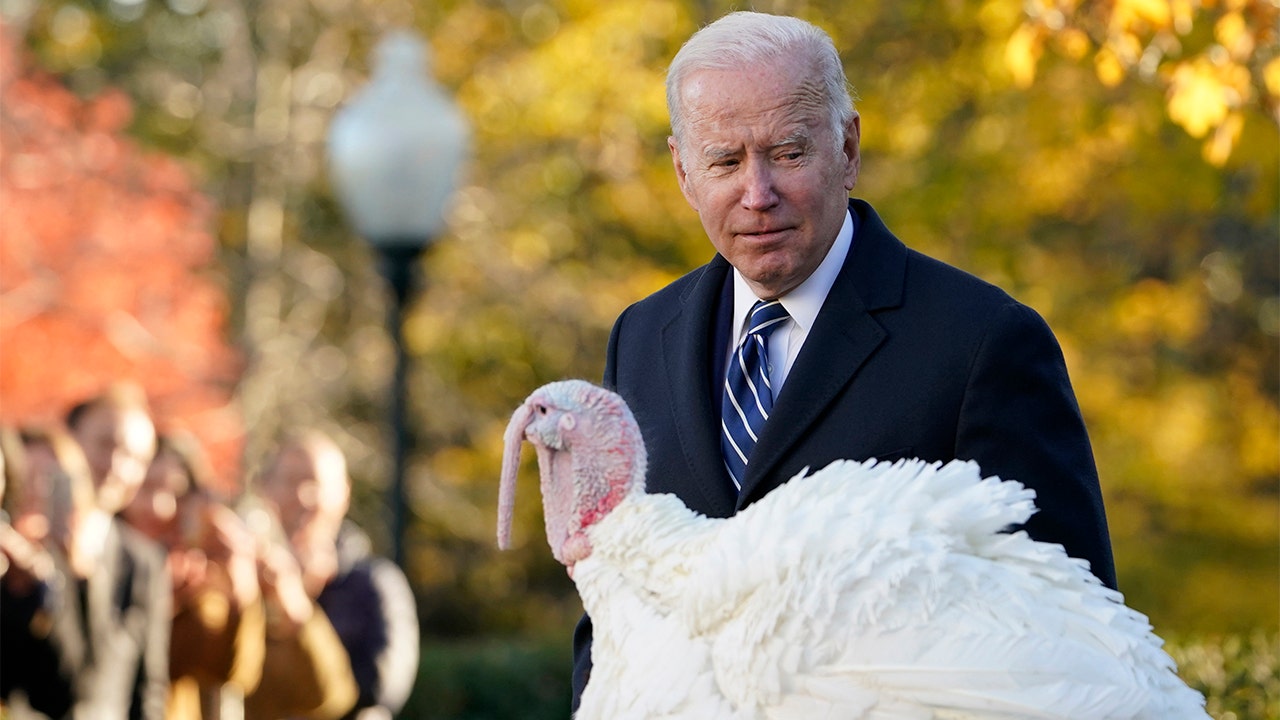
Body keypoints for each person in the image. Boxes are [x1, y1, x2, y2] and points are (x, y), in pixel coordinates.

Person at [576, 10, 1116, 707]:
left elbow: (1078, 638)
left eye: (789, 153)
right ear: (683, 171)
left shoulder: (983, 343)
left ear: (849, 147)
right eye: (725, 162)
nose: (757, 193)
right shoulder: (641, 337)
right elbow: (614, 612)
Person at [251, 429, 419, 720]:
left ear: (344, 492)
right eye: (290, 482)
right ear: (265, 490)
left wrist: (300, 607)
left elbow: (382, 690)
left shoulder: (374, 583)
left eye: (316, 483)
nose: (304, 497)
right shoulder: (246, 580)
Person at [10, 425, 171, 720]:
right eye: (24, 482)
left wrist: (65, 585)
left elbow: (73, 691)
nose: (36, 497)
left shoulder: (74, 567)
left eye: (51, 484)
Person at [121, 432, 267, 720]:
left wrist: (240, 597)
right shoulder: (90, 556)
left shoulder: (197, 581)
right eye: (145, 487)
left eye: (175, 493)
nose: (159, 507)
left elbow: (232, 673)